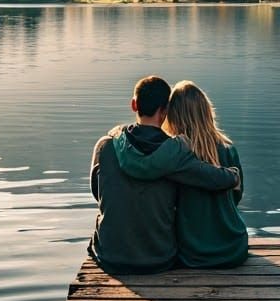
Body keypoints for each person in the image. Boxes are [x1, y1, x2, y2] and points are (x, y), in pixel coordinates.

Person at [88, 75, 240, 273]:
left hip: (109, 257)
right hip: (159, 259)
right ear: (165, 111)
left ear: (134, 105)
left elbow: (97, 193)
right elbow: (209, 177)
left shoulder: (105, 146)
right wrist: (233, 176)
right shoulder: (174, 151)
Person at [163, 80, 248, 268]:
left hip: (193, 252)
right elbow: (236, 197)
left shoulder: (174, 154)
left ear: (173, 115)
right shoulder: (228, 150)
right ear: (207, 112)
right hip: (234, 247)